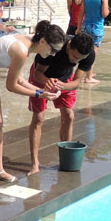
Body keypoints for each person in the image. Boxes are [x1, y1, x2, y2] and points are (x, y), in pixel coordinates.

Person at [0, 21, 64, 190]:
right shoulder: (22, 51)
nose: (52, 54)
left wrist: (42, 91)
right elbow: (11, 86)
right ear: (43, 41)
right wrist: (39, 93)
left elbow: (19, 79)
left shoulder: (27, 44)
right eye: (53, 50)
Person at [27, 33, 95, 175]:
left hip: (64, 79)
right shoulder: (54, 46)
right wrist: (48, 82)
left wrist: (62, 86)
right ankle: (34, 163)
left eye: (79, 59)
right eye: (74, 57)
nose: (75, 61)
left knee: (69, 116)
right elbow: (37, 74)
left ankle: (67, 158)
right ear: (69, 46)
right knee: (39, 118)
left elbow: (76, 83)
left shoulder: (88, 54)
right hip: (41, 77)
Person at [79, 0, 110, 84]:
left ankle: (88, 74)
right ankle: (88, 78)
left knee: (85, 52)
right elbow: (104, 14)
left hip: (85, 27)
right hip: (97, 28)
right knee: (92, 54)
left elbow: (81, 13)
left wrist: (79, 28)